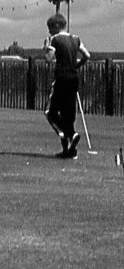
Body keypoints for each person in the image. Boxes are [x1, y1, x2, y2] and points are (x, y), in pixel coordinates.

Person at [43, 13, 90, 159]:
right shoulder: (75, 39)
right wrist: (77, 65)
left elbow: (49, 59)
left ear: (56, 26)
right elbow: (87, 55)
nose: (49, 31)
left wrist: (46, 47)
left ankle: (71, 134)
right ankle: (69, 151)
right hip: (73, 79)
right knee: (68, 115)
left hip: (61, 78)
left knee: (50, 112)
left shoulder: (55, 39)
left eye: (50, 28)